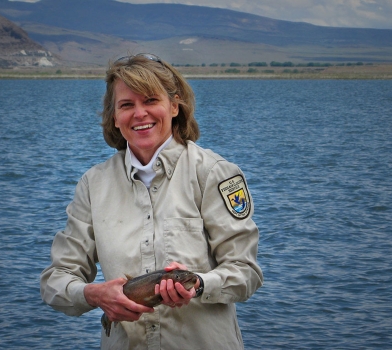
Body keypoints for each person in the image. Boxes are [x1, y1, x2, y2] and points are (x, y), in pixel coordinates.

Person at [40, 53, 263, 349]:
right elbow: (56, 280)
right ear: (114, 117)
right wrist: (93, 295)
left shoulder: (215, 174)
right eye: (127, 105)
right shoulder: (93, 185)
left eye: (150, 100)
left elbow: (246, 273)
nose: (139, 114)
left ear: (174, 105)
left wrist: (198, 285)